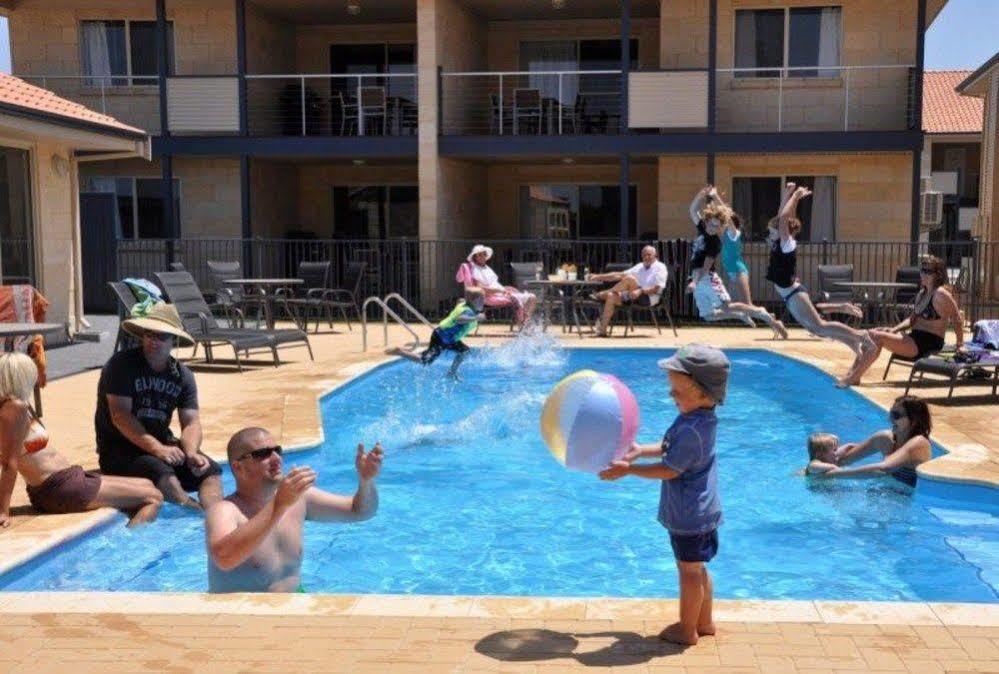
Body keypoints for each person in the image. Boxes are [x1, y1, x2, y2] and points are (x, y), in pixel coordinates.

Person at [599, 344, 729, 645]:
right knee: (697, 568)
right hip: (702, 511)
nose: (672, 396)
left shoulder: (691, 429)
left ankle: (687, 630)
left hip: (689, 514)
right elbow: (671, 448)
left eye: (677, 392)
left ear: (702, 394)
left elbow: (670, 469)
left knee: (689, 573)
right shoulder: (698, 420)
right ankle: (704, 622)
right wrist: (640, 450)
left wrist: (629, 470)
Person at [206, 427, 382, 592]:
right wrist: (279, 505)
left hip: (296, 603)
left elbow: (361, 511)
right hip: (243, 616)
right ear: (238, 467)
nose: (277, 459)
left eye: (277, 450)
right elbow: (223, 558)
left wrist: (366, 481)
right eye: (263, 454)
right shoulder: (225, 510)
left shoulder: (298, 498)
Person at [0, 353, 161, 527]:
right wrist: (3, 511)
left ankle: (132, 528)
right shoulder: (14, 409)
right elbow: (9, 464)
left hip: (67, 479)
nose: (35, 376)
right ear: (20, 376)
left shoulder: (18, 404)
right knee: (153, 497)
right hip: (57, 489)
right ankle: (131, 544)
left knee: (148, 484)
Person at [94, 302, 222, 511]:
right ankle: (194, 518)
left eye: (161, 336)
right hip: (119, 450)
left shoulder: (183, 376)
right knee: (164, 474)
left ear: (174, 340)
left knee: (211, 471)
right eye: (149, 334)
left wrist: (191, 452)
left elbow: (191, 422)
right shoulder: (121, 365)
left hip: (160, 447)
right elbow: (120, 416)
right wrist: (158, 449)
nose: (153, 340)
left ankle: (218, 515)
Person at [766, 182, 873, 357]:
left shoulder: (787, 244)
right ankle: (852, 341)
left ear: (783, 232)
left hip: (793, 294)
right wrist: (787, 193)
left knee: (819, 327)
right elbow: (781, 216)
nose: (770, 235)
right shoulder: (781, 241)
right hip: (790, 294)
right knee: (817, 329)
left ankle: (860, 335)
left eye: (772, 232)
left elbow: (784, 218)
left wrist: (795, 197)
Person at [837, 255, 963, 387]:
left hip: (928, 343)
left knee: (877, 337)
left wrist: (960, 345)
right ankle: (853, 373)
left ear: (937, 275)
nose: (923, 274)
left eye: (928, 271)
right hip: (914, 337)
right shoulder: (922, 294)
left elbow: (957, 318)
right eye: (922, 270)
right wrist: (893, 330)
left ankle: (854, 377)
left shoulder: (941, 294)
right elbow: (911, 319)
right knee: (870, 334)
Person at [817, 396, 932, 486]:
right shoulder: (885, 439)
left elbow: (882, 469)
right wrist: (812, 469)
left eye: (896, 415)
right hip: (883, 496)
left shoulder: (919, 443)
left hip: (905, 505)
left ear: (914, 420)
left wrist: (833, 475)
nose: (890, 419)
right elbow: (842, 461)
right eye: (891, 413)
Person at [387, 289, 485, 378]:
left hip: (448, 338)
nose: (483, 302)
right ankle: (399, 351)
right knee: (425, 360)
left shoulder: (464, 304)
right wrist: (476, 318)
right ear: (473, 301)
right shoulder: (468, 312)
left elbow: (460, 300)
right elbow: (460, 319)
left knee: (464, 351)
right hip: (441, 338)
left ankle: (452, 372)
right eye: (481, 300)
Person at [588, 245, 669, 337]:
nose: (646, 257)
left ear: (655, 255)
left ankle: (601, 295)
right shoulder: (639, 266)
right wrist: (598, 276)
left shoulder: (660, 267)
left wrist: (641, 291)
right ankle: (602, 331)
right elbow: (618, 275)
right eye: (644, 255)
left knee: (629, 279)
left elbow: (656, 289)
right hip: (632, 296)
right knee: (611, 296)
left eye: (649, 255)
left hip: (648, 298)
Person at [457, 244, 537, 328]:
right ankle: (523, 326)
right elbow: (481, 289)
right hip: (490, 296)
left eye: (484, 254)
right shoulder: (475, 269)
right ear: (475, 257)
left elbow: (494, 283)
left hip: (500, 293)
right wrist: (501, 291)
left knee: (532, 298)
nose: (483, 256)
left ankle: (525, 322)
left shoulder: (486, 268)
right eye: (480, 255)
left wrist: (505, 288)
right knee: (523, 299)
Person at [687, 186, 723, 291]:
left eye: (717, 226)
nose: (713, 228)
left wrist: (694, 282)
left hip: (706, 277)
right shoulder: (703, 227)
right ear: (706, 221)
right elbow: (693, 210)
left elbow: (706, 266)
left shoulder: (715, 243)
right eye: (712, 224)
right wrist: (701, 195)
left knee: (724, 305)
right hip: (696, 276)